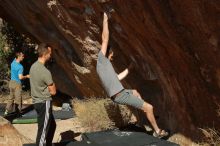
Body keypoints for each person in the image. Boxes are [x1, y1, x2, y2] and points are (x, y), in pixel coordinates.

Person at [96, 13, 168, 138]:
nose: (112, 57)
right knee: (149, 107)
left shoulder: (105, 67)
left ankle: (143, 116)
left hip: (120, 93)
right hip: (120, 95)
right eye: (112, 54)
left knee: (135, 92)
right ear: (107, 53)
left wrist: (129, 68)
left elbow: (118, 78)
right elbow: (105, 38)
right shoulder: (102, 60)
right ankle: (157, 131)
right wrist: (105, 19)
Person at [30, 43, 56, 146]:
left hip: (37, 102)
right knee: (43, 131)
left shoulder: (33, 67)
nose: (51, 55)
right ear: (45, 54)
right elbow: (53, 91)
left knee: (52, 125)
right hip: (44, 102)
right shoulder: (45, 71)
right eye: (50, 53)